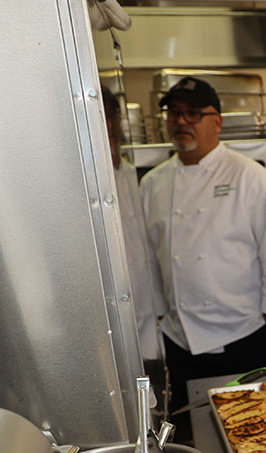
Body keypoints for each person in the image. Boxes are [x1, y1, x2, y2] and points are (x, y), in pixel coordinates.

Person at [141, 77, 266, 435]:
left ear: (217, 121)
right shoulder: (153, 183)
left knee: (257, 430)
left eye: (193, 113)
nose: (181, 121)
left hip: (243, 335)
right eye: (174, 113)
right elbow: (150, 257)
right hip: (181, 340)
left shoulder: (249, 176)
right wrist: (158, 311)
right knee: (196, 431)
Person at [102, 89, 167, 388]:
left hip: (148, 317)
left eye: (110, 118)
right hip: (108, 329)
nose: (107, 127)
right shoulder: (80, 178)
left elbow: (148, 250)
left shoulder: (131, 174)